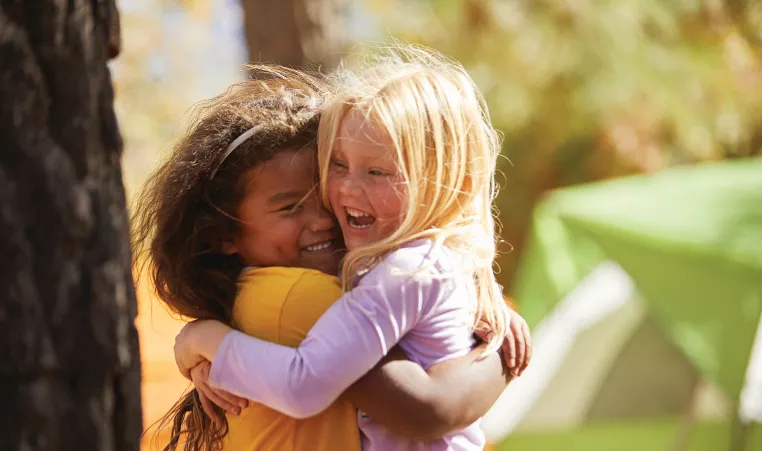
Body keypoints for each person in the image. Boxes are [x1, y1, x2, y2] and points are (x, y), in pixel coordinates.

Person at [133, 65, 530, 451]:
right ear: (223, 235)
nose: (341, 197)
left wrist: (203, 339)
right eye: (339, 167)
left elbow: (419, 408)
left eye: (376, 172)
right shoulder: (326, 291)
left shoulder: (401, 271)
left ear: (443, 182)